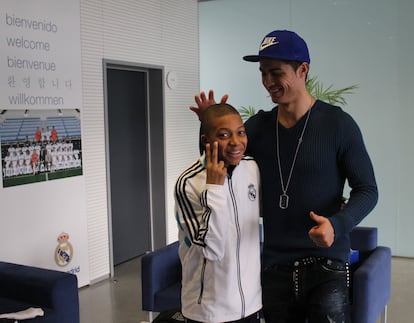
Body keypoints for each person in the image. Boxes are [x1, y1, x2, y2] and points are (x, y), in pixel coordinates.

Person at [190, 30, 378, 323]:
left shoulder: (338, 125)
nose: (267, 82)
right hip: (273, 267)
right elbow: (218, 161)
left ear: (303, 70)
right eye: (263, 73)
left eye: (276, 73)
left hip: (326, 266)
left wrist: (337, 224)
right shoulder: (257, 127)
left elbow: (367, 190)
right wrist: (209, 126)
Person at [175, 103, 262, 323]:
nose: (236, 142)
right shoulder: (188, 183)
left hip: (251, 305)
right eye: (224, 135)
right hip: (209, 311)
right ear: (206, 141)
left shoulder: (252, 168)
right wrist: (214, 187)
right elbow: (212, 248)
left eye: (240, 133)